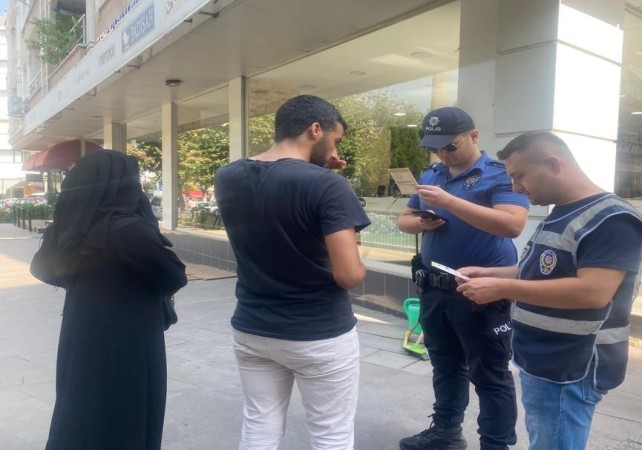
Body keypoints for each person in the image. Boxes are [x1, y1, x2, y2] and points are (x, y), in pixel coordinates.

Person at [455, 131, 642, 450]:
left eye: (519, 176)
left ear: (554, 165)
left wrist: (502, 287)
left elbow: (593, 292)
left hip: (570, 365)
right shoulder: (563, 211)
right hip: (546, 359)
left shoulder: (611, 220)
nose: (515, 187)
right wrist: (489, 273)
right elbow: (539, 272)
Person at [214, 94, 370, 450]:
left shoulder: (228, 176)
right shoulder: (327, 185)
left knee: (259, 424)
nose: (335, 150)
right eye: (335, 139)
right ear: (315, 130)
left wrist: (322, 174)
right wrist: (329, 183)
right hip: (317, 331)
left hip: (252, 327)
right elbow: (348, 275)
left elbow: (278, 199)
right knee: (331, 434)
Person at [33, 150, 188, 450]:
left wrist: (86, 285)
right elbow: (173, 276)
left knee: (80, 406)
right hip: (128, 337)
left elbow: (41, 268)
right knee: (127, 411)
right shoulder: (126, 229)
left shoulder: (72, 225)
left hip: (81, 330)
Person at [396, 107, 529, 450]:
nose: (442, 153)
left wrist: (450, 202)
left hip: (481, 291)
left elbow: (512, 224)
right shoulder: (433, 174)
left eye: (450, 146)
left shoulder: (499, 174)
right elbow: (404, 220)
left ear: (474, 136)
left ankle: (495, 445)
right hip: (434, 287)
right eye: (435, 147)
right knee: (445, 364)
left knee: (490, 372)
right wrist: (421, 222)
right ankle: (446, 432)